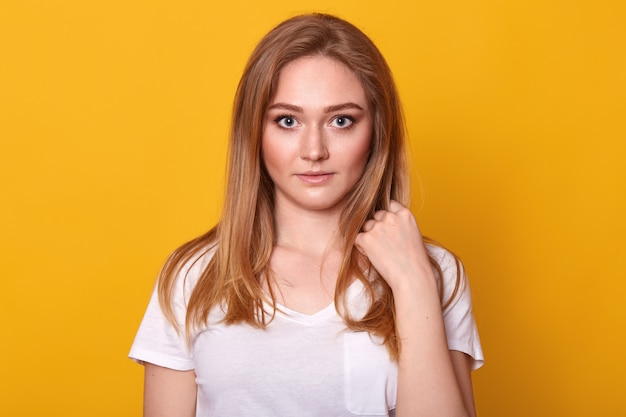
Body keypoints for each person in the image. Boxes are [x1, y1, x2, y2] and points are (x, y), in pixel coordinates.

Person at [129, 13, 484, 417]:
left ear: (376, 132)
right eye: (287, 121)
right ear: (255, 133)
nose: (313, 150)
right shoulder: (193, 276)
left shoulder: (434, 273)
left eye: (340, 121)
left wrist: (412, 284)